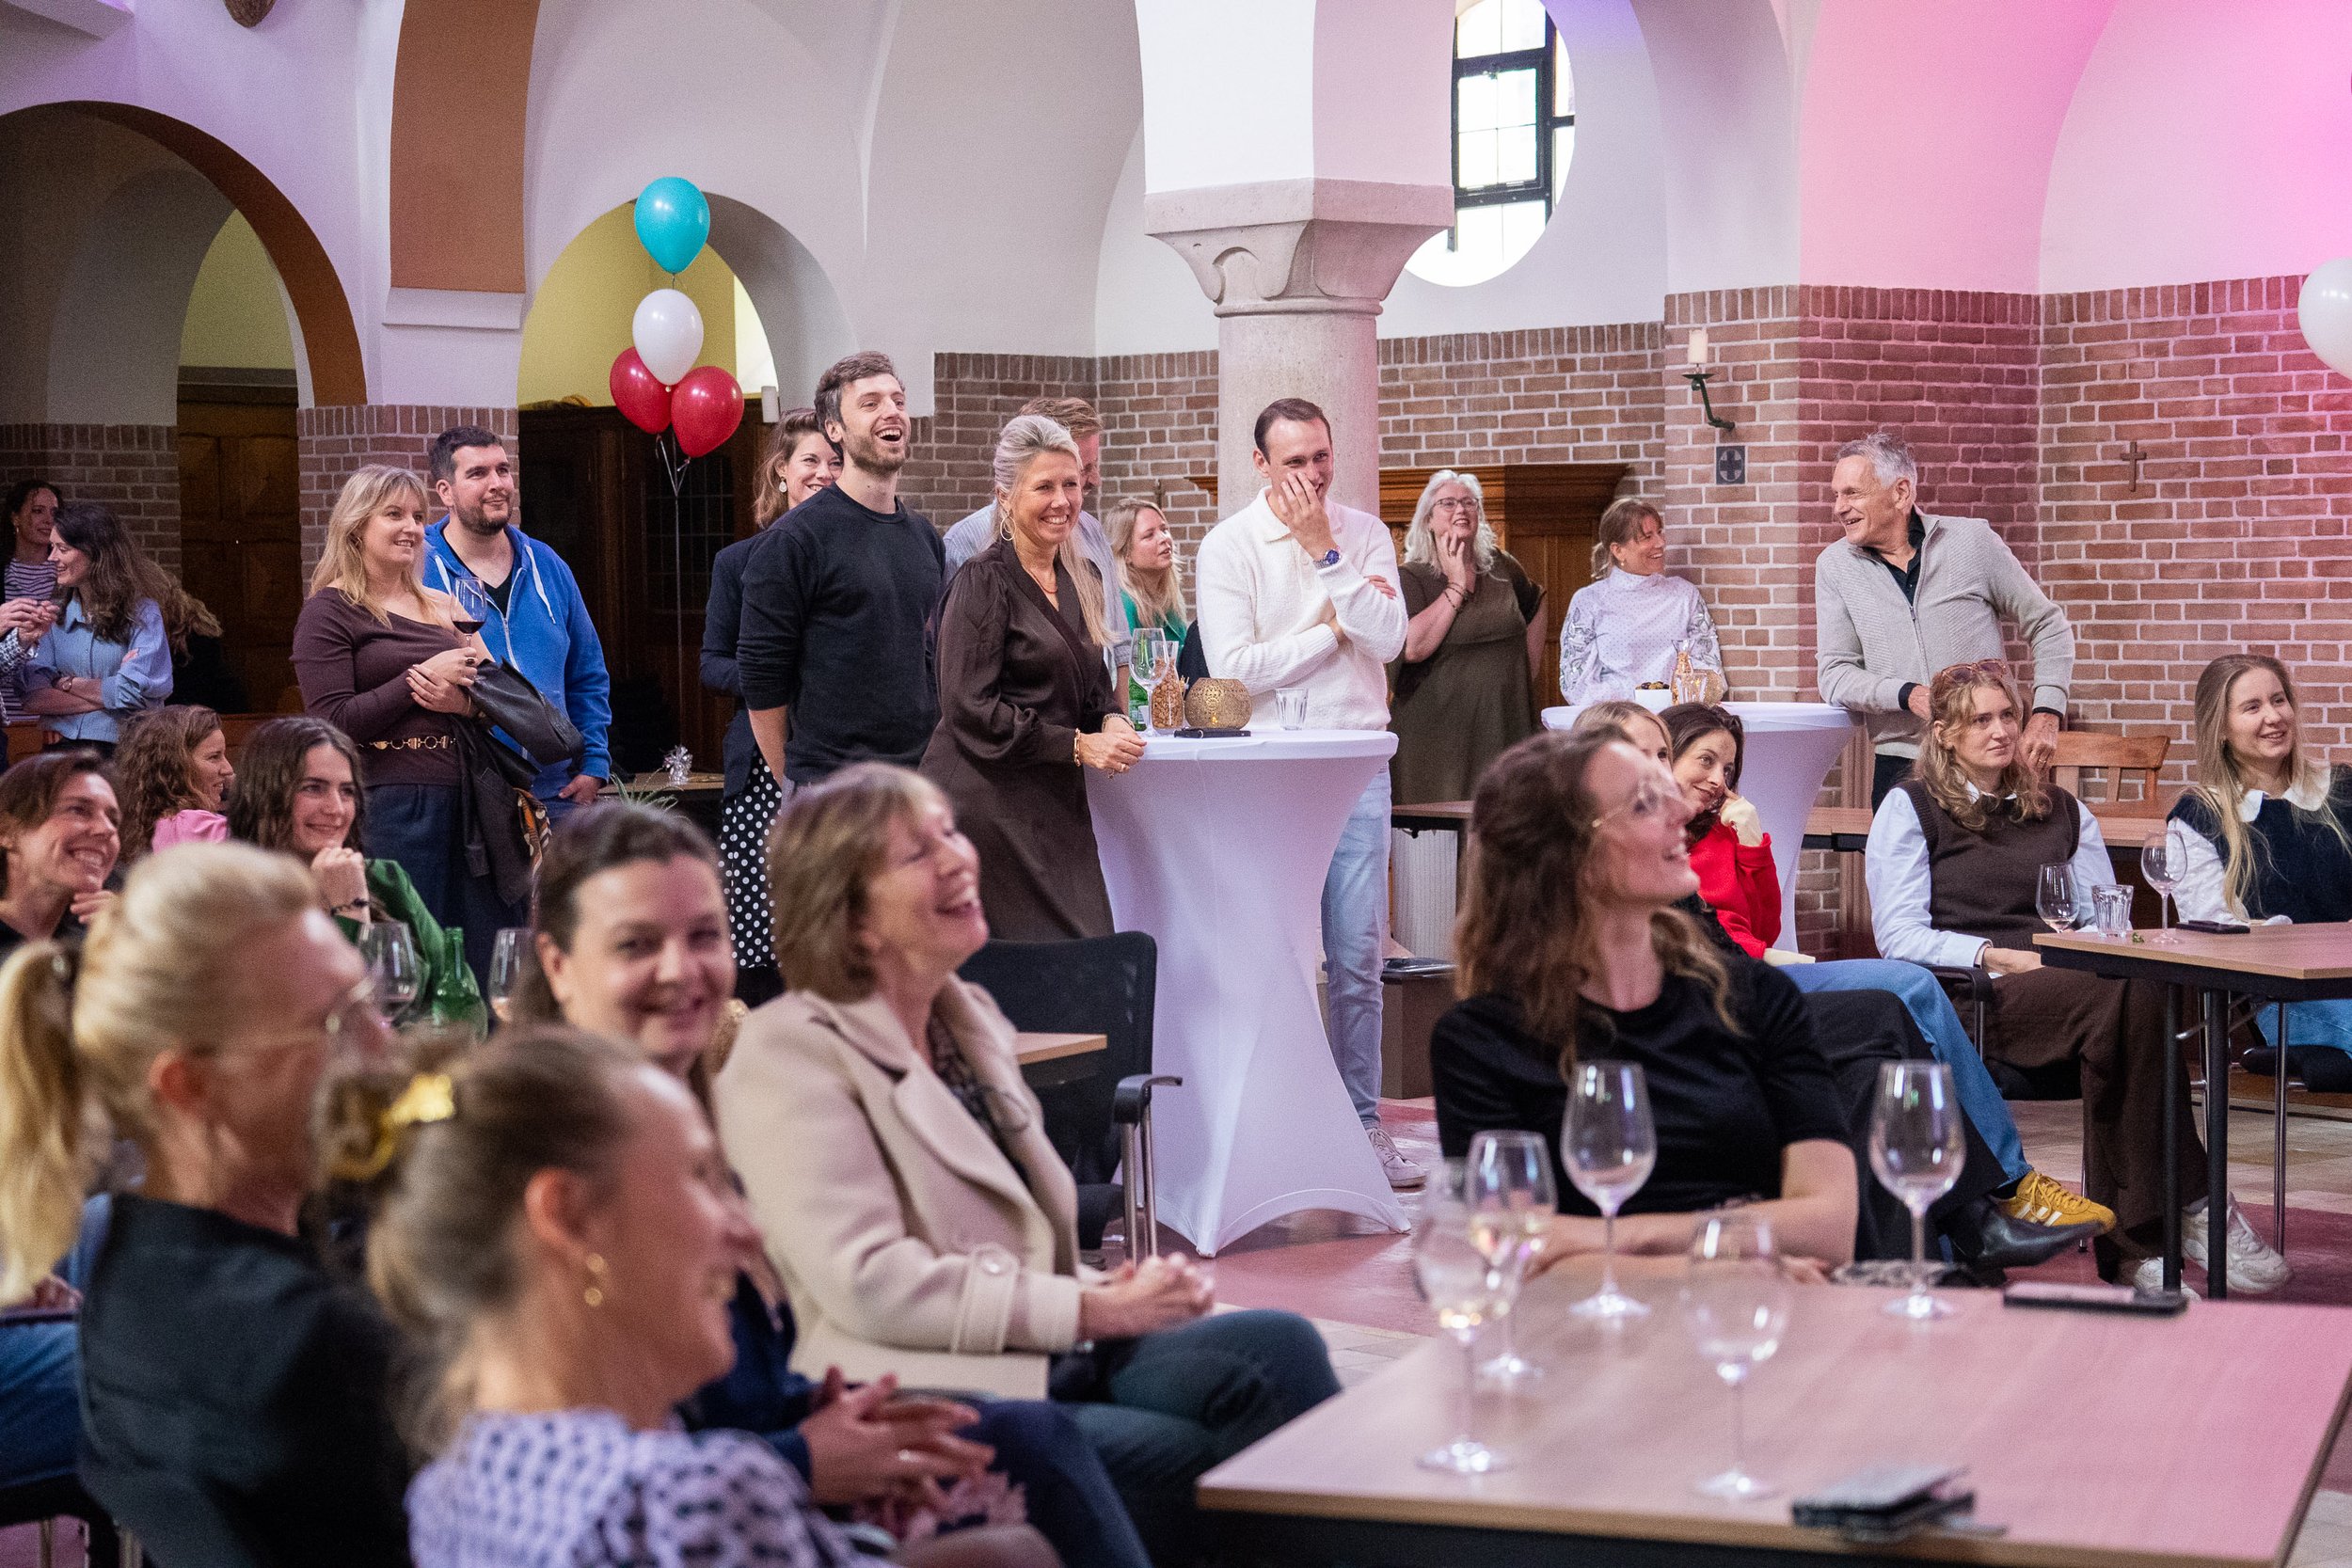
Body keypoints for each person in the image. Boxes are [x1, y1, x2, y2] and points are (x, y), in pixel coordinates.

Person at [718, 763, 1343, 1557]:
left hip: (1041, 1346)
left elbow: (1014, 1244)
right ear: (853, 918)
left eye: (950, 832)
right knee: (1197, 1455)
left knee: (1279, 1347)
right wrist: (1090, 1309)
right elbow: (871, 1280)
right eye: (918, 852)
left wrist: (1116, 1289)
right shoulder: (788, 1054)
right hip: (917, 1376)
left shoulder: (967, 1017)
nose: (958, 857)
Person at [515, 802, 1152, 1568]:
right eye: (637, 944)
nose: (682, 970)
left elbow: (753, 1372)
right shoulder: (552, 1161)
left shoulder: (697, 1113)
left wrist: (832, 1410)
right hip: (713, 1515)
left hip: (795, 1439)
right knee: (1042, 1462)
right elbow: (585, 1470)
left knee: (1044, 1431)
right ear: (557, 963)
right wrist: (804, 1456)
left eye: (705, 937)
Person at [0, 841, 409, 1567]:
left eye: (370, 1001)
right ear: (189, 1084)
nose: (384, 1046)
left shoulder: (129, 1267)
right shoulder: (310, 1342)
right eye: (338, 1020)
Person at [346, 1026, 869, 1568]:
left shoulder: (446, 1492)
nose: (749, 1232)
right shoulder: (681, 1504)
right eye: (700, 1177)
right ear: (568, 1216)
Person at [1866, 659, 2285, 1292]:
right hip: (1975, 996)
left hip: (2073, 990)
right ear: (1945, 734)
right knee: (2133, 1001)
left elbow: (2098, 917)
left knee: (2138, 995)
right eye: (1980, 720)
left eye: (2008, 715)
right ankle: (2189, 1206)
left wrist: (2098, 946)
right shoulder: (1911, 807)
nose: (2001, 731)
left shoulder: (2061, 809)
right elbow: (1899, 935)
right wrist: (1998, 955)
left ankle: (2145, 1249)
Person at [1658, 700, 2113, 1238]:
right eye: (1705, 761)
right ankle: (2012, 1182)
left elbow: (1762, 925)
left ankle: (1967, 1208)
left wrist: (1754, 845)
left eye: (1728, 768)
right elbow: (1702, 939)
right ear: (1665, 759)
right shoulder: (1657, 841)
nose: (1718, 779)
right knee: (1910, 982)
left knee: (1900, 1010)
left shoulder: (1722, 829)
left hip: (1759, 967)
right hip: (1734, 976)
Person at [1431, 728, 1859, 1271]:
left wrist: (1608, 1240)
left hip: (1756, 1318)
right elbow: (1510, 1249)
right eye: (1644, 803)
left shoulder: (1754, 997)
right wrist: (1734, 1264)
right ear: (1570, 855)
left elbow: (1830, 1228)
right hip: (1601, 1324)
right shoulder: (1482, 1039)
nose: (1682, 810)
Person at [1193, 397, 1421, 1186]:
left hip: (1356, 762)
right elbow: (1234, 669)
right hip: (1271, 769)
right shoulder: (1229, 545)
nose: (1312, 475)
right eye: (1294, 461)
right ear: (1260, 464)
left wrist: (1328, 553)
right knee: (1278, 954)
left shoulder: (1362, 533)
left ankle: (1362, 1125)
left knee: (1357, 956)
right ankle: (1273, 1127)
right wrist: (1330, 630)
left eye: (1321, 457)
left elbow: (1390, 638)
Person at [293, 464, 519, 981]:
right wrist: (419, 678)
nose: (412, 528)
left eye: (418, 517)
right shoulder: (330, 611)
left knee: (479, 953)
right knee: (409, 953)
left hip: (470, 801)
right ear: (356, 526)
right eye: (393, 514)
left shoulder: (443, 605)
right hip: (390, 802)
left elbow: (499, 700)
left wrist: (462, 705)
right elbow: (330, 723)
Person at [923, 416, 1142, 941]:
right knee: (1040, 967)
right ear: (1005, 496)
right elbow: (970, 707)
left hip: (1052, 801)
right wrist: (1077, 746)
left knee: (1087, 953)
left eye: (1072, 484)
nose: (1062, 501)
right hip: (987, 805)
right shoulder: (983, 580)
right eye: (1044, 487)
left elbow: (1090, 686)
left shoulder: (1081, 578)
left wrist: (1111, 718)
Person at [1817, 430, 2076, 805]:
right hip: (1901, 768)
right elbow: (1835, 675)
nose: (1839, 507)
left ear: (1901, 493)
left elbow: (2048, 626)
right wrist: (1908, 695)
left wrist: (2047, 713)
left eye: (1852, 493)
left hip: (1990, 762)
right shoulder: (1834, 566)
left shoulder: (1972, 542)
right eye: (1837, 495)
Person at [738, 352, 945, 791]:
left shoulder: (925, 537)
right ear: (834, 429)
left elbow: (924, 657)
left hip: (917, 778)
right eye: (870, 403)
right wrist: (796, 782)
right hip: (831, 786)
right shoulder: (795, 541)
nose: (892, 411)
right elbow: (761, 680)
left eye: (898, 401)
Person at [705, 407, 841, 1006]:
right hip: (763, 767)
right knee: (762, 939)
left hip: (841, 755)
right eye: (810, 460)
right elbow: (711, 662)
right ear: (780, 471)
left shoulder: (856, 555)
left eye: (834, 462)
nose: (824, 473)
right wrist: (773, 677)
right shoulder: (739, 562)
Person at [228, 715, 485, 1028]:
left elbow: (465, 1003)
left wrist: (411, 1046)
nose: (336, 808)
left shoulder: (385, 878)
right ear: (264, 794)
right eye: (313, 788)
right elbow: (330, 1023)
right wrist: (351, 912)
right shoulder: (238, 900)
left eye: (347, 791)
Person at [2170, 654, 2352, 1087]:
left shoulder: (2342, 789)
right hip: (2286, 996)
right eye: (2252, 707)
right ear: (2221, 728)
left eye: (2279, 700)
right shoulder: (2199, 815)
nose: (2273, 717)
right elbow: (2213, 932)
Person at [421, 424, 612, 817]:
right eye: (478, 473)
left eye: (502, 470)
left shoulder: (547, 564)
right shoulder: (418, 567)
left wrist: (594, 763)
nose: (497, 484)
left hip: (556, 793)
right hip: (462, 795)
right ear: (445, 492)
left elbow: (587, 673)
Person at [944, 396, 1132, 696]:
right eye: (1085, 468)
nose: (1095, 479)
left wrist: (1115, 717)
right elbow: (967, 691)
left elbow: (1116, 648)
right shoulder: (971, 552)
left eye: (1071, 481)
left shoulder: (1091, 541)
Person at [1391, 468, 1545, 803]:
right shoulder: (1411, 577)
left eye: (1469, 502)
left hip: (1504, 725)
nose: (1460, 509)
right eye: (1448, 503)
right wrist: (1457, 583)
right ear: (1428, 520)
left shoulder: (1501, 567)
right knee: (1441, 830)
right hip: (1438, 740)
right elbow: (1413, 647)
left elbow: (1536, 602)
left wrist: (1523, 671)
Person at [21, 501, 173, 753]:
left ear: (95, 553)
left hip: (125, 753)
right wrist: (110, 693)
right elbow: (33, 697)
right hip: (64, 754)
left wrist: (65, 683)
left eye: (62, 549)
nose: (52, 558)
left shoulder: (143, 614)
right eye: (52, 547)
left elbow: (134, 693)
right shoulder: (53, 616)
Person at [1557, 497, 1724, 706]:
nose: (1660, 543)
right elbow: (1576, 684)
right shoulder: (1590, 601)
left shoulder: (1684, 594)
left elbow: (1709, 667)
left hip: (1679, 715)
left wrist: (1676, 702)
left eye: (1659, 532)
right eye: (1647, 537)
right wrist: (1633, 704)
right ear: (1618, 550)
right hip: (1617, 717)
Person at [0, 749, 119, 959]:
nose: (107, 829)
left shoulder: (99, 941)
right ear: (6, 831)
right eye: (78, 810)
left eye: (114, 820)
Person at [112, 704, 233, 861]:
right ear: (176, 766)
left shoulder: (149, 826)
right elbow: (262, 843)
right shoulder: (192, 825)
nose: (228, 769)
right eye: (214, 757)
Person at [1106, 498, 1186, 719]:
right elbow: (1127, 683)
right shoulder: (1123, 604)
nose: (1164, 539)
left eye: (1164, 529)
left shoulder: (1169, 603)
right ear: (1126, 554)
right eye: (1149, 535)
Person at [0, 479, 59, 721]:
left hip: (58, 709)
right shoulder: (5, 574)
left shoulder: (67, 574)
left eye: (54, 512)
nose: (48, 520)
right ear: (15, 518)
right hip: (8, 710)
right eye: (37, 511)